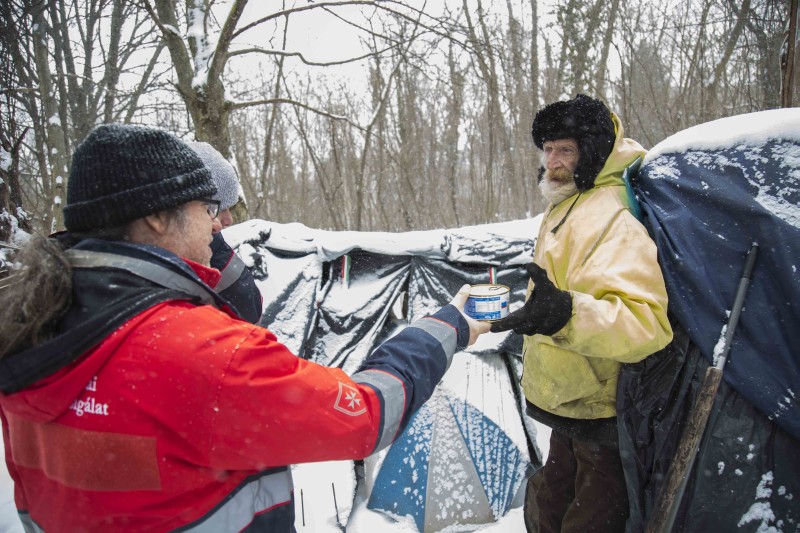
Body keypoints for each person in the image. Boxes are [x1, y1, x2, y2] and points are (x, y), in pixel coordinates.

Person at [0, 123, 490, 532]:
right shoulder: (203, 353)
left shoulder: (33, 329)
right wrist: (450, 325)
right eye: (207, 208)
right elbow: (367, 414)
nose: (217, 226)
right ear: (154, 216)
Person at [490, 94, 673, 533]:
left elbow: (646, 324)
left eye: (565, 150)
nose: (552, 161)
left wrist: (566, 315)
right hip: (566, 400)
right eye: (548, 149)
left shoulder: (613, 216)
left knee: (589, 519)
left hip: (600, 410)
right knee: (546, 505)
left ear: (591, 152)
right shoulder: (567, 204)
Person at [188, 141, 262, 324]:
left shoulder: (216, 250)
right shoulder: (210, 253)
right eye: (217, 208)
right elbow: (248, 313)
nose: (228, 220)